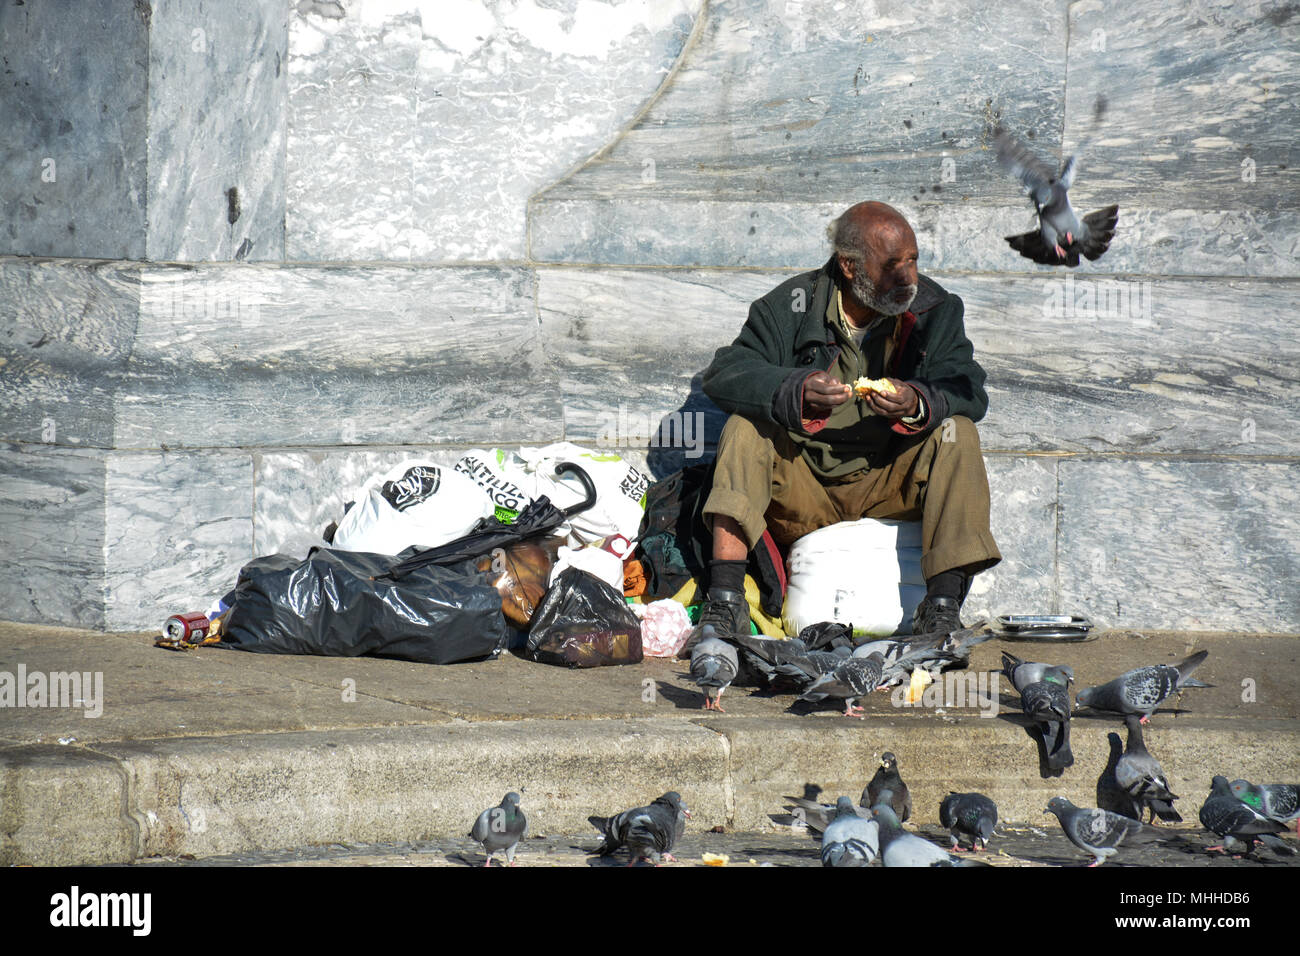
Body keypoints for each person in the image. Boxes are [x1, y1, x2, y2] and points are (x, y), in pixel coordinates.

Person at [692, 200, 1001, 643]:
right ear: (850, 266)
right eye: (892, 265)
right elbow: (725, 374)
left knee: (958, 432)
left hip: (889, 483)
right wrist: (791, 389)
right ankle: (724, 604)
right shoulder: (790, 305)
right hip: (805, 489)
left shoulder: (936, 309)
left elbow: (970, 388)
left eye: (913, 261)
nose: (908, 278)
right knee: (745, 427)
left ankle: (942, 611)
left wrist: (919, 401)